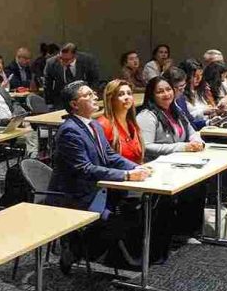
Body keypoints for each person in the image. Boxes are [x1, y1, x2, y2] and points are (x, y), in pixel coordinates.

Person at [46, 82, 151, 273]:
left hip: (96, 187)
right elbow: (85, 169)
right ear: (74, 104)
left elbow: (110, 156)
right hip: (76, 196)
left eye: (93, 93)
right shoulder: (70, 131)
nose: (95, 97)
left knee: (137, 206)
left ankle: (92, 249)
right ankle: (78, 248)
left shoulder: (94, 124)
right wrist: (126, 175)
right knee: (122, 216)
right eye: (88, 95)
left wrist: (137, 167)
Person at [137, 75, 207, 247]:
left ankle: (188, 230)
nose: (166, 94)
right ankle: (178, 232)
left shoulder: (175, 109)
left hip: (179, 162)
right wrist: (182, 147)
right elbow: (146, 147)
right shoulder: (147, 115)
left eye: (168, 89)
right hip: (158, 167)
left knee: (200, 184)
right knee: (191, 188)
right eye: (160, 91)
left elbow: (192, 131)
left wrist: (197, 141)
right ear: (151, 95)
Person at [96, 80, 143, 165]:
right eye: (121, 94)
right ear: (111, 99)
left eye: (129, 93)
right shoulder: (103, 125)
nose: (126, 97)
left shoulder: (132, 123)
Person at [43, 43, 102, 109]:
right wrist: (49, 103)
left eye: (66, 60)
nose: (62, 62)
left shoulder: (87, 60)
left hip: (83, 98)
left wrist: (91, 96)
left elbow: (94, 80)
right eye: (61, 58)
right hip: (61, 99)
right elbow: (47, 84)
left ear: (75, 56)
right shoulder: (51, 63)